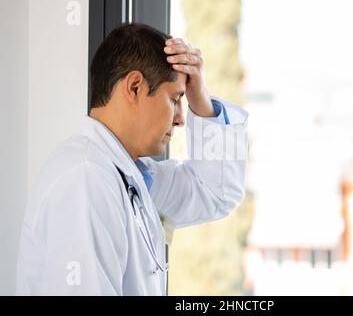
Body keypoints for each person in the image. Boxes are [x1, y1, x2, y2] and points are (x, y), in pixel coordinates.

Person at [16, 23, 248, 295]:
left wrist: (201, 97)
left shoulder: (130, 177)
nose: (181, 119)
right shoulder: (86, 179)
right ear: (135, 87)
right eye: (175, 100)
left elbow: (216, 193)